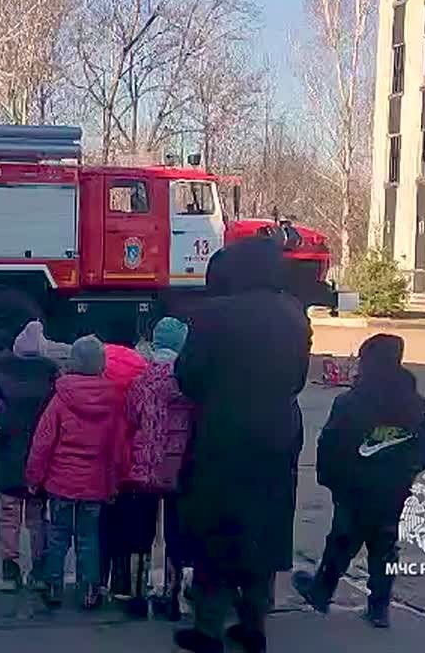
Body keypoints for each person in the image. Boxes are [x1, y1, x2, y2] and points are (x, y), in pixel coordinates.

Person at [172, 237, 311, 653]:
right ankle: (254, 624)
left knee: (218, 528)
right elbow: (299, 379)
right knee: (263, 528)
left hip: (224, 434)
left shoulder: (213, 314)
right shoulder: (294, 313)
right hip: (279, 432)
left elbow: (189, 377)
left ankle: (209, 628)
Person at [293, 334, 425, 629]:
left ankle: (322, 591)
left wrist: (330, 478)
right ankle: (379, 607)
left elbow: (331, 444)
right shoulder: (415, 404)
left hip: (355, 487)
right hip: (393, 489)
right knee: (385, 545)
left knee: (342, 540)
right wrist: (407, 474)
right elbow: (423, 449)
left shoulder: (351, 402)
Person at [25, 335, 126, 610]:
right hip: (95, 485)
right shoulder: (113, 400)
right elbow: (116, 449)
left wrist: (34, 478)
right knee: (89, 538)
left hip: (61, 483)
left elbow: (43, 443)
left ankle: (53, 586)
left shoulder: (61, 398)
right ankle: (89, 591)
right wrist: (113, 483)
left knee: (58, 535)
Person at [119, 316, 196, 620]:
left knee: (141, 533)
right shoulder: (188, 382)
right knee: (177, 533)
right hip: (179, 467)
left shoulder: (142, 380)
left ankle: (137, 596)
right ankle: (172, 597)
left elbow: (130, 416)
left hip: (145, 466)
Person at [0, 321, 61, 591]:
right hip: (40, 463)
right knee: (37, 517)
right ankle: (39, 568)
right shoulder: (51, 381)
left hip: (8, 459)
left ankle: (10, 569)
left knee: (9, 516)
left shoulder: (1, 377)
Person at [98, 341, 149, 601]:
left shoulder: (98, 385)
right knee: (131, 528)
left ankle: (96, 581)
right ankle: (124, 583)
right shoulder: (142, 384)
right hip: (134, 470)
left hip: (102, 469)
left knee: (101, 528)